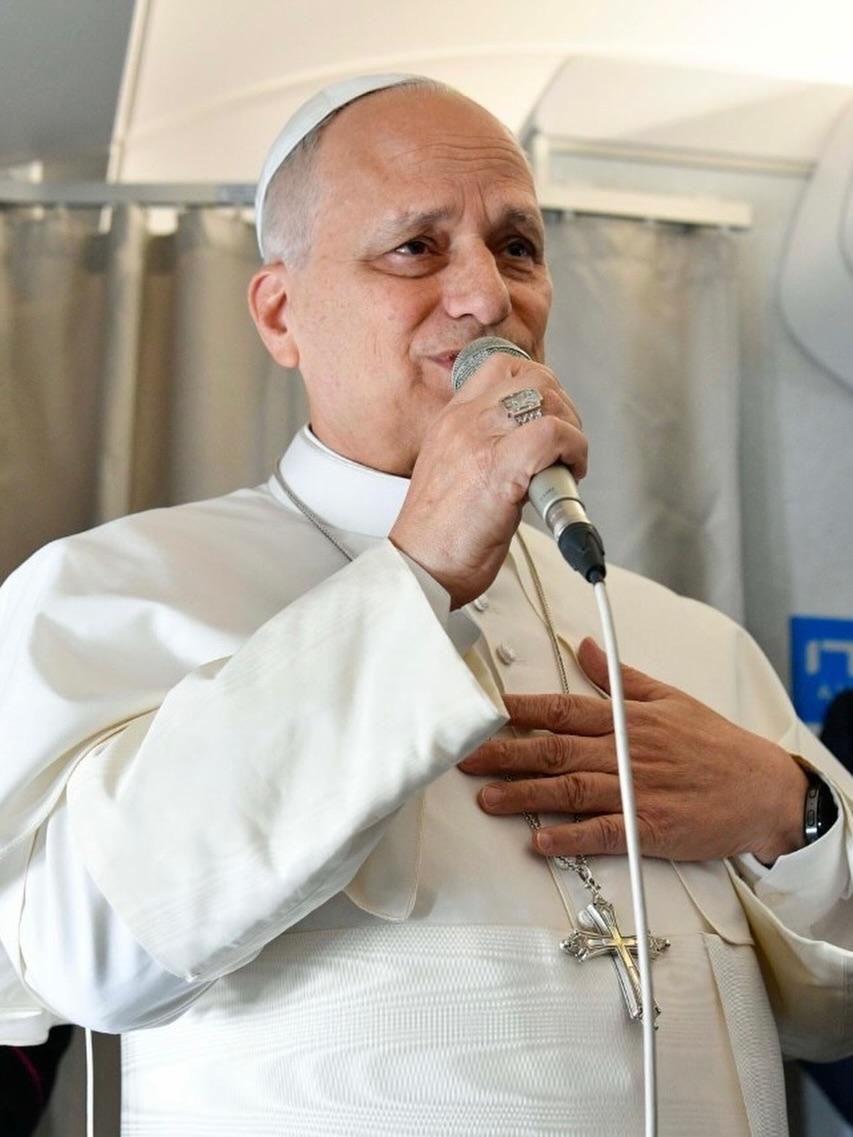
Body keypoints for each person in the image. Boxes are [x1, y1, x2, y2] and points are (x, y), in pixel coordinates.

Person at [0, 73, 851, 1137]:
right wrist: (416, 576)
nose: (489, 297)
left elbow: (830, 1021)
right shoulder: (110, 592)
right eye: (414, 248)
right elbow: (83, 958)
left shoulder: (691, 642)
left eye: (518, 247)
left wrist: (794, 813)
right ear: (280, 313)